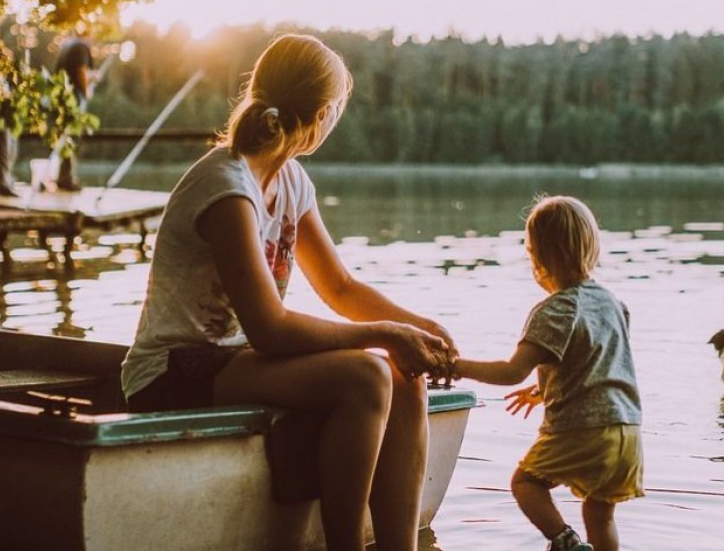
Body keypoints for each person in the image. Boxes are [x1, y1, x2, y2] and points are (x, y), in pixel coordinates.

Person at [120, 34, 456, 551]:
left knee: (403, 376)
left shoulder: (292, 181)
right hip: (171, 370)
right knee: (367, 374)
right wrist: (386, 333)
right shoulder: (227, 186)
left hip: (236, 361)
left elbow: (339, 287)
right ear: (323, 115)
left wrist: (418, 329)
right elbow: (270, 328)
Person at [452, 195, 643, 551]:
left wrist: (455, 366)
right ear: (592, 248)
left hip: (583, 430)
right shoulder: (614, 305)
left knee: (526, 483)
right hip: (628, 434)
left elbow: (512, 371)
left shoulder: (555, 310)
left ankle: (566, 542)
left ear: (536, 257)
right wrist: (543, 391)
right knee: (600, 515)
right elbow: (597, 363)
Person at [54, 34, 95, 190]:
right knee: (71, 137)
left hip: (61, 96)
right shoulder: (81, 46)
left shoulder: (66, 45)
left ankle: (63, 177)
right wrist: (86, 92)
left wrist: (91, 78)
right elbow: (81, 70)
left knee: (65, 137)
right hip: (74, 98)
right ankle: (66, 178)